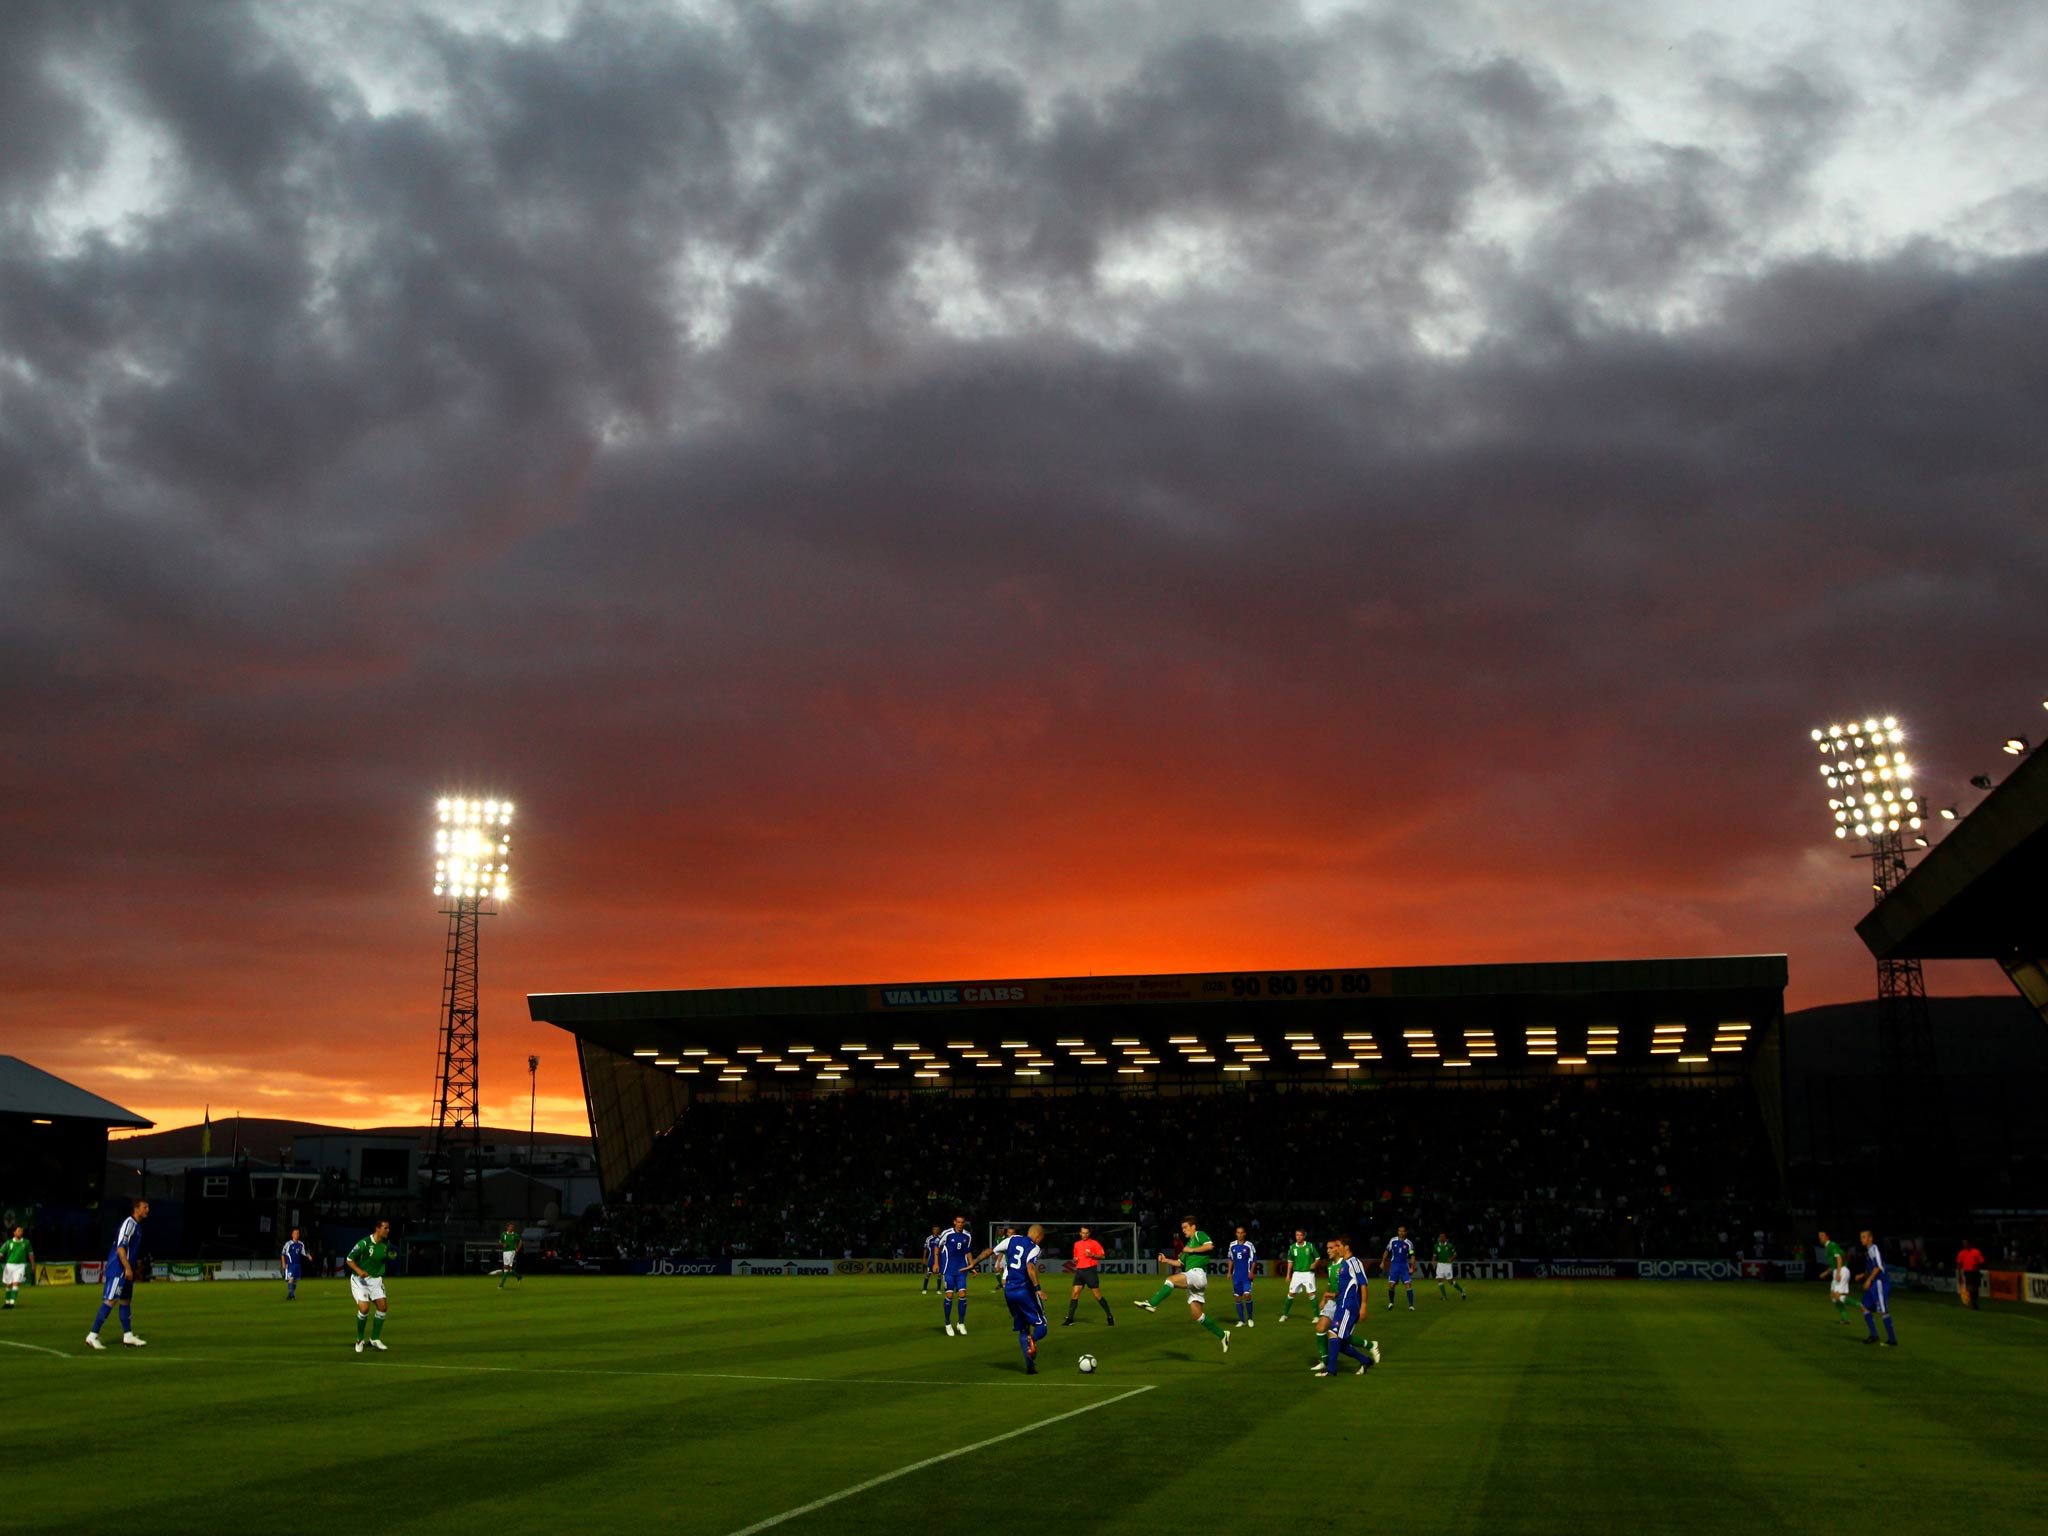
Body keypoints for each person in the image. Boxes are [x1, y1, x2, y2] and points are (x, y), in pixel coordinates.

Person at [1132, 1216, 1230, 1353]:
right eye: (1182, 1228)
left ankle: (1152, 1304)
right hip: (1194, 1278)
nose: (1183, 1230)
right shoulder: (1188, 1245)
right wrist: (1166, 1260)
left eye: (1185, 1227)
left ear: (1193, 1226)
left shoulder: (1198, 1235)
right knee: (1197, 1315)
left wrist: (1192, 1250)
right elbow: (1180, 1263)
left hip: (1198, 1274)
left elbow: (1210, 1246)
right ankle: (1222, 1335)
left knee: (1171, 1280)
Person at [1311, 1236, 1380, 1378]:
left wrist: (1363, 1306)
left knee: (1334, 1335)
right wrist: (1333, 1295)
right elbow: (1346, 1287)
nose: (1336, 1248)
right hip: (1341, 1304)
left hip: (1349, 1306)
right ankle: (1365, 1360)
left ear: (1346, 1247)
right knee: (1339, 1340)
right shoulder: (1345, 1265)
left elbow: (1363, 1284)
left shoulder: (1354, 1262)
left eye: (1338, 1245)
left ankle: (1331, 1370)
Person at [86, 1198, 148, 1350]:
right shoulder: (129, 1224)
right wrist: (126, 1268)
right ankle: (92, 1335)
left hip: (127, 1269)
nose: (147, 1210)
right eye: (145, 1207)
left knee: (125, 1300)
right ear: (136, 1209)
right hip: (118, 1269)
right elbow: (121, 1248)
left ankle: (128, 1335)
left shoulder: (137, 1226)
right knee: (110, 1300)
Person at [997, 1223, 1050, 1374]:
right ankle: (1033, 1339)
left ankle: (1030, 1366)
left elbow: (991, 1251)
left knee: (1022, 1329)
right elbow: (1030, 1267)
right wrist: (1038, 1289)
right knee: (1042, 1326)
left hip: (1009, 1291)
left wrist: (974, 1263)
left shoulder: (1013, 1241)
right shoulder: (1034, 1248)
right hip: (1024, 1291)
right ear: (1038, 1236)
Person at [348, 1219, 395, 1353]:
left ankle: (374, 1339)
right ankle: (359, 1339)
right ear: (377, 1229)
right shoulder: (364, 1243)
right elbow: (349, 1259)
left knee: (383, 1307)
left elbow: (387, 1255)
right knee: (364, 1308)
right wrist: (359, 1271)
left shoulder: (386, 1243)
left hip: (375, 1280)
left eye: (388, 1228)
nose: (388, 1230)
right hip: (360, 1280)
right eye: (385, 1228)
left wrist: (391, 1255)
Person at [1062, 1224, 1114, 1327]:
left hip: (1090, 1271)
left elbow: (1103, 1256)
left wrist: (1092, 1255)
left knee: (1097, 1295)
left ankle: (1109, 1316)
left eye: (1086, 1233)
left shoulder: (1094, 1243)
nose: (1084, 1235)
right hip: (1080, 1271)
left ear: (1089, 1234)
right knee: (1074, 1294)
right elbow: (1075, 1256)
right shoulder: (1077, 1244)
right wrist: (1074, 1259)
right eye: (1083, 1233)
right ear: (1080, 1233)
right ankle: (1070, 1318)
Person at [935, 1215, 975, 1336]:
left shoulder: (967, 1236)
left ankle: (961, 1323)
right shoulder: (947, 1233)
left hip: (962, 1269)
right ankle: (947, 1323)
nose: (960, 1224)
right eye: (958, 1222)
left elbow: (968, 1251)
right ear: (954, 1222)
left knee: (963, 1294)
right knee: (950, 1295)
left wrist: (972, 1265)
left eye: (962, 1222)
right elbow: (937, 1246)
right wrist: (936, 1263)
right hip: (948, 1269)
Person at [1856, 1228, 1897, 1347]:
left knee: (1882, 1310)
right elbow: (1873, 1267)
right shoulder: (1869, 1251)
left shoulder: (1873, 1249)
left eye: (1864, 1237)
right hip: (1874, 1282)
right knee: (1863, 1306)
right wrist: (1863, 1275)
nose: (1861, 1239)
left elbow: (1878, 1267)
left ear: (1870, 1238)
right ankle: (1874, 1335)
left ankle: (1892, 1339)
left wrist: (1868, 1280)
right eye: (1861, 1237)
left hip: (1880, 1283)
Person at [1278, 1229, 1318, 1322]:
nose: (1298, 1237)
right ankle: (1285, 1315)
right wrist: (1288, 1274)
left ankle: (1316, 1317)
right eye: (1297, 1235)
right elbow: (1290, 1261)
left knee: (1311, 1294)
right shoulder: (1292, 1247)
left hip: (1308, 1273)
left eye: (1300, 1235)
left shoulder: (1310, 1246)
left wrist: (1314, 1264)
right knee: (1291, 1294)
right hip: (1297, 1274)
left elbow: (1317, 1258)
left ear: (1304, 1236)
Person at [1228, 1226, 1257, 1328]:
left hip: (1246, 1275)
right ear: (1236, 1234)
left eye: (1241, 1233)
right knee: (1238, 1297)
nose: (1240, 1234)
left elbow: (1254, 1260)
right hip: (1237, 1276)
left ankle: (1250, 1318)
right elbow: (1231, 1259)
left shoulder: (1249, 1245)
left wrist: (1252, 1272)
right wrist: (1229, 1272)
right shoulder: (1232, 1245)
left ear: (1244, 1234)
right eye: (1238, 1233)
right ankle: (1241, 1320)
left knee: (1247, 1295)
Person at [1382, 1225, 1416, 1311]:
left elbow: (1412, 1256)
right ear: (1398, 1232)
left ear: (1405, 1232)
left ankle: (1411, 1305)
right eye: (1399, 1231)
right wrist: (1382, 1262)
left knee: (1408, 1284)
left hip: (1404, 1265)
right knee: (1391, 1285)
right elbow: (1387, 1251)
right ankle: (1391, 1302)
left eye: (1403, 1231)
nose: (1401, 1233)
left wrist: (1412, 1267)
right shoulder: (1393, 1241)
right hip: (1395, 1265)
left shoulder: (1409, 1243)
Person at [2, 1226, 33, 1309]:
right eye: (19, 1231)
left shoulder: (26, 1242)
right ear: (14, 1232)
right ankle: (7, 1302)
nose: (21, 1232)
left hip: (20, 1266)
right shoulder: (8, 1242)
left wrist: (33, 1264)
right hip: (9, 1266)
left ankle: (12, 1303)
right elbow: (1, 1253)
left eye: (22, 1231)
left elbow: (30, 1253)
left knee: (16, 1283)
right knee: (9, 1285)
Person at [1433, 1233, 1468, 1300]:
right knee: (1439, 1279)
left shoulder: (1450, 1245)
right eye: (1440, 1237)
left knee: (1450, 1281)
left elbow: (1455, 1254)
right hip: (1440, 1264)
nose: (1441, 1238)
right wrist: (1433, 1261)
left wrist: (1451, 1259)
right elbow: (1434, 1255)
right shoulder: (1436, 1246)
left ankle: (1462, 1291)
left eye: (1442, 1237)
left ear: (1445, 1238)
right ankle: (1444, 1296)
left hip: (1447, 1265)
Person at [1956, 1240, 1985, 1310]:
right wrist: (1959, 1273)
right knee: (1970, 1287)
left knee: (1976, 1287)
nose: (1965, 1245)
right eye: (1963, 1244)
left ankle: (1975, 1301)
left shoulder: (1976, 1252)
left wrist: (1977, 1265)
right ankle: (1973, 1302)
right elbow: (1959, 1264)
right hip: (1967, 1272)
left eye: (1966, 1243)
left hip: (1975, 1271)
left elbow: (1981, 1261)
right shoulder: (1961, 1253)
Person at [280, 1227, 308, 1301]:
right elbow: (283, 1254)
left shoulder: (301, 1244)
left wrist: (308, 1256)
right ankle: (292, 1295)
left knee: (295, 1280)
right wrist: (283, 1263)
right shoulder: (288, 1244)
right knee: (291, 1279)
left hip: (298, 1265)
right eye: (295, 1233)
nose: (297, 1235)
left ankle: (290, 1295)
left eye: (298, 1233)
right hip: (290, 1264)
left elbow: (304, 1252)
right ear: (292, 1235)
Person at [1828, 1249, 1852, 1323]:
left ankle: (1860, 1305)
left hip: (1840, 1272)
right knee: (1833, 1297)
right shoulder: (1833, 1254)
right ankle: (1845, 1318)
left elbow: (1840, 1261)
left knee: (1837, 1296)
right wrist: (1826, 1272)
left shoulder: (1837, 1253)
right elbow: (1834, 1265)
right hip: (1836, 1272)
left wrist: (1838, 1273)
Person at [498, 1221, 524, 1288]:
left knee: (506, 1268)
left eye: (513, 1227)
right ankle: (519, 1276)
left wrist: (518, 1248)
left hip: (511, 1252)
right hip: (505, 1252)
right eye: (511, 1227)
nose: (512, 1228)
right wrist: (503, 1244)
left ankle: (501, 1284)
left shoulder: (515, 1235)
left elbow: (520, 1241)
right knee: (507, 1269)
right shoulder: (503, 1234)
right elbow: (500, 1241)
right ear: (507, 1227)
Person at [921, 1225, 942, 1294]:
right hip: (931, 1258)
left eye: (937, 1229)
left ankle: (938, 1290)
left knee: (939, 1274)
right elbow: (925, 1248)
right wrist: (924, 1258)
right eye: (935, 1229)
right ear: (933, 1230)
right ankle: (924, 1289)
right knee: (928, 1273)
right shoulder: (929, 1238)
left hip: (939, 1258)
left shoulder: (941, 1238)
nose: (936, 1231)